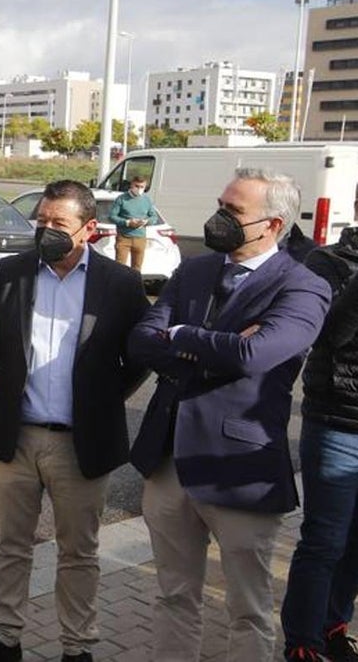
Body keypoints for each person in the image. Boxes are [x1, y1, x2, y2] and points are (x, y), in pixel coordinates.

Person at [129, 168, 330, 661]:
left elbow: (254, 357)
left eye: (234, 211)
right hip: (169, 461)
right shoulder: (196, 268)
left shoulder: (303, 287)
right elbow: (140, 341)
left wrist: (180, 336)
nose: (220, 218)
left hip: (238, 469)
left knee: (248, 609)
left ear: (273, 225)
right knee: (174, 595)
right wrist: (208, 344)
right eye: (221, 204)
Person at [0, 180, 148, 662]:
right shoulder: (11, 273)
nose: (45, 231)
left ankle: (77, 646)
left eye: (58, 224)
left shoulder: (120, 284)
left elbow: (141, 357)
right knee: (10, 547)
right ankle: (4, 639)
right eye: (41, 221)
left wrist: (102, 399)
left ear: (89, 229)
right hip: (17, 437)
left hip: (81, 444)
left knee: (79, 553)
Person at [281, 225, 358, 662]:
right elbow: (328, 334)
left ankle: (333, 624)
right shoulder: (324, 263)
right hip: (338, 423)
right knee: (325, 539)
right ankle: (303, 642)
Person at [108, 175, 158, 272]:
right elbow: (112, 216)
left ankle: (134, 286)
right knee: (119, 268)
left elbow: (154, 217)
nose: (139, 189)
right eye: (137, 186)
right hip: (124, 238)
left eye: (142, 187)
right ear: (131, 185)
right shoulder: (121, 199)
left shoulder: (147, 200)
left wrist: (146, 221)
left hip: (140, 238)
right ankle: (119, 286)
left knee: (137, 268)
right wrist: (127, 222)